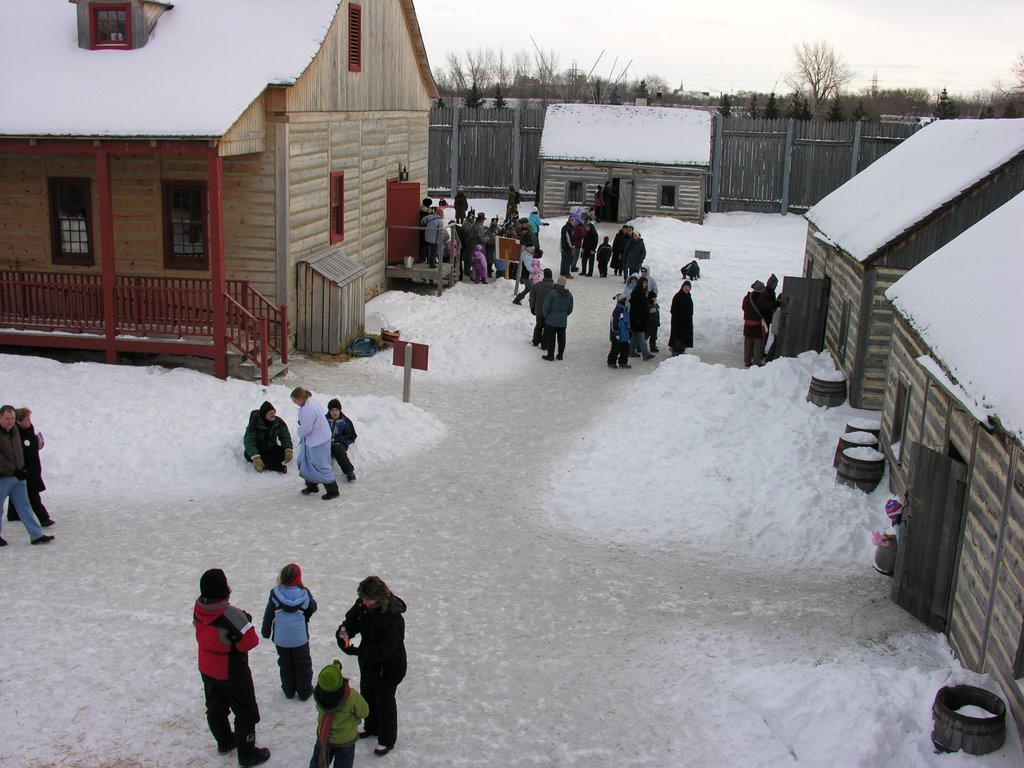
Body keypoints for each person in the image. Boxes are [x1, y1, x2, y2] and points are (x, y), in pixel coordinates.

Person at [193, 568, 270, 766]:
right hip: (231, 670)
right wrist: (246, 621)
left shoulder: (198, 607)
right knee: (246, 712)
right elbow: (250, 642)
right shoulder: (232, 615)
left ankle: (225, 741)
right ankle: (247, 754)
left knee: (215, 708)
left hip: (207, 666)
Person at [336, 576, 408, 758]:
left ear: (378, 598)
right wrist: (343, 635)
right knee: (368, 695)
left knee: (385, 701)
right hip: (369, 663)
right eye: (362, 598)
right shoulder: (362, 606)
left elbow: (385, 650)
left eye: (367, 599)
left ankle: (387, 739)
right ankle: (371, 727)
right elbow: (348, 623)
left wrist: (358, 651)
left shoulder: (393, 618)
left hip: (389, 667)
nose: (364, 602)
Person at [261, 563, 317, 701]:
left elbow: (269, 614)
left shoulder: (275, 593)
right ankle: (304, 692)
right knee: (303, 665)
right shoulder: (304, 594)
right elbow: (313, 607)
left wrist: (266, 631)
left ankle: (288, 690)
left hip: (281, 638)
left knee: (285, 664)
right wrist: (306, 614)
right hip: (299, 638)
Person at [0, 404, 52, 546]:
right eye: (7, 419)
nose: (10, 421)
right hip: (3, 477)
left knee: (25, 506)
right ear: (0, 417)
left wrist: (21, 469)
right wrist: (14, 470)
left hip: (18, 477)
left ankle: (36, 535)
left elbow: (22, 449)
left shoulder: (15, 431)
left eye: (12, 418)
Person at [308, 660, 369, 768]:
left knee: (318, 761)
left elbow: (329, 678)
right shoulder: (350, 696)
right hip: (346, 740)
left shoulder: (318, 694)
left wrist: (335, 667)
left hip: (324, 736)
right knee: (344, 764)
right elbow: (364, 712)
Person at [291, 387, 339, 500]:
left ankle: (333, 490)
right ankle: (311, 485)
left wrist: (299, 431)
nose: (294, 403)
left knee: (321, 464)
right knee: (306, 462)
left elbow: (306, 428)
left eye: (294, 400)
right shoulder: (310, 403)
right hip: (315, 439)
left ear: (300, 398)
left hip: (319, 441)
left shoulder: (308, 408)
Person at [243, 401, 293, 474]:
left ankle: (266, 463)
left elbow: (285, 436)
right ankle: (278, 467)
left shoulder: (278, 422)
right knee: (247, 454)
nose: (273, 415)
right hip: (258, 449)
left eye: (274, 412)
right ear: (264, 414)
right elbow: (248, 441)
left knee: (282, 453)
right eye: (270, 413)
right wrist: (255, 457)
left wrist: (288, 450)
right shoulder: (254, 423)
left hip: (271, 447)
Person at [742, 280, 774, 368]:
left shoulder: (746, 297)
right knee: (757, 344)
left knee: (747, 344)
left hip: (747, 324)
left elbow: (743, 307)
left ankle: (747, 361)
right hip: (757, 325)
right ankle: (756, 362)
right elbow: (769, 306)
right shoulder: (760, 298)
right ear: (761, 289)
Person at [541, 275, 574, 361]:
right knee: (562, 338)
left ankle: (550, 355)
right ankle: (560, 355)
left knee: (551, 338)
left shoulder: (552, 294)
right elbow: (570, 309)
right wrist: (564, 315)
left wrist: (547, 315)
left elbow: (546, 306)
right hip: (562, 321)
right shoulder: (569, 295)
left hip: (551, 320)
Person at [326, 399, 358, 483]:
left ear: (340, 410)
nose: (334, 412)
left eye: (336, 410)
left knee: (338, 449)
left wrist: (341, 440)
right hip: (326, 443)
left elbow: (352, 435)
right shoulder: (324, 420)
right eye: (332, 410)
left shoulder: (345, 421)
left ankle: (349, 472)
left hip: (340, 444)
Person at [628, 277, 654, 361]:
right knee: (641, 337)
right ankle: (645, 354)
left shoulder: (640, 292)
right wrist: (639, 318)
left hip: (636, 319)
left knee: (635, 336)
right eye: (643, 283)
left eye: (646, 283)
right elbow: (637, 307)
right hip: (638, 319)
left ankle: (631, 351)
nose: (645, 285)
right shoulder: (638, 293)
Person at [528, 268, 555, 347]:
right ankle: (545, 343)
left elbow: (532, 298)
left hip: (539, 310)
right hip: (549, 312)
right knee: (547, 327)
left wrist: (532, 307)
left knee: (538, 325)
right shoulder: (554, 287)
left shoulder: (537, 286)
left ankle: (536, 340)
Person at [511, 220, 536, 305]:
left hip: (527, 274)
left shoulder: (528, 251)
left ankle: (517, 299)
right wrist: (535, 270)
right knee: (532, 289)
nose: (524, 231)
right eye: (523, 229)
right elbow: (528, 267)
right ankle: (532, 302)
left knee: (528, 289)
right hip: (526, 275)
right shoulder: (526, 255)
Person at [670, 280, 694, 356]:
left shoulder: (688, 297)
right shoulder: (678, 296)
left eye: (689, 287)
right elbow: (673, 310)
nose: (687, 288)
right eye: (686, 286)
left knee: (683, 340)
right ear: (682, 287)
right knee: (677, 339)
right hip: (678, 323)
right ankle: (675, 356)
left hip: (686, 323)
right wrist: (677, 322)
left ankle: (680, 355)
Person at [607, 293, 632, 369]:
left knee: (625, 348)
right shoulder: (618, 310)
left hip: (624, 334)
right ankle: (611, 362)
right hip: (618, 334)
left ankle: (623, 362)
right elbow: (614, 323)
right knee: (615, 349)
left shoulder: (623, 309)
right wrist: (616, 333)